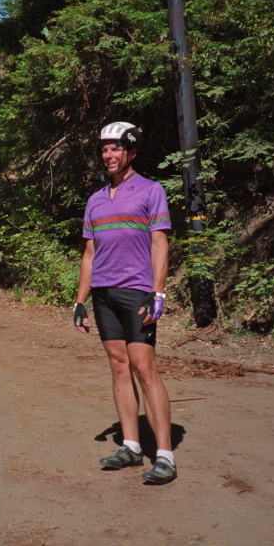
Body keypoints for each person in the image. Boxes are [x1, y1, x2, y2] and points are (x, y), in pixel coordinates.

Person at [72, 121, 176, 484]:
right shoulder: (96, 199)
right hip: (103, 294)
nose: (108, 155)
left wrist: (158, 292)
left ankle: (164, 455)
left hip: (137, 292)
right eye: (104, 149)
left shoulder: (151, 190)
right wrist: (80, 301)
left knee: (144, 368)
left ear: (131, 150)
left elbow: (159, 242)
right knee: (118, 367)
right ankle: (131, 446)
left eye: (115, 148)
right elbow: (89, 252)